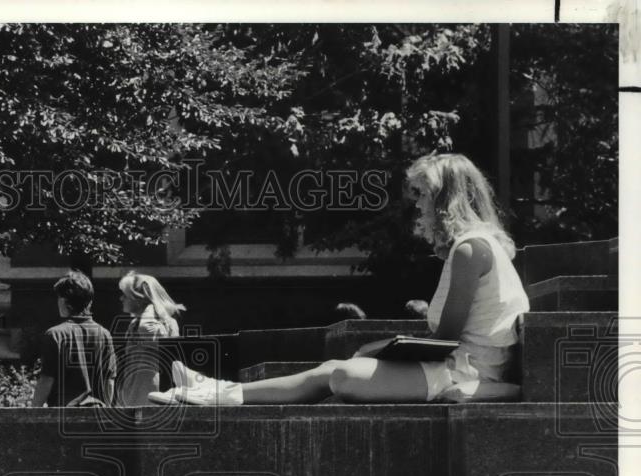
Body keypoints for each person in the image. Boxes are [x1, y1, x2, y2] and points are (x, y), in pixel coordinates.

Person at [150, 153, 530, 405]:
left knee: (342, 373)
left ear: (446, 198)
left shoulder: (468, 250)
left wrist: (382, 350)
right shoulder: (481, 246)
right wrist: (383, 349)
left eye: (423, 194)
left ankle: (215, 392)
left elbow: (445, 340)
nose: (417, 204)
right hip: (457, 365)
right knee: (338, 368)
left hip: (462, 371)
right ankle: (215, 390)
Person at [31, 270, 117, 407]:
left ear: (65, 301)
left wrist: (33, 412)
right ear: (89, 302)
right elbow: (109, 380)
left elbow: (46, 379)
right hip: (95, 416)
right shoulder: (104, 334)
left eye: (58, 297)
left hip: (62, 415)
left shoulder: (55, 334)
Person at [114, 271, 185, 406]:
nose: (121, 298)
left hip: (150, 392)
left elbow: (147, 329)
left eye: (125, 295)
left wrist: (150, 304)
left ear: (139, 299)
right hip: (133, 390)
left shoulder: (163, 323)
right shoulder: (136, 323)